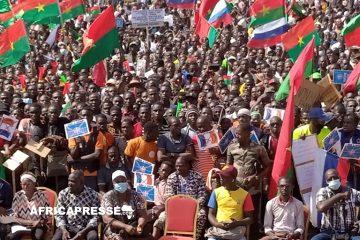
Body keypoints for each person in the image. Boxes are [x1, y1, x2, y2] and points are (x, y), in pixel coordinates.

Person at [227, 123, 272, 239]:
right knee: (238, 216)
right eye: (236, 133)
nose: (237, 135)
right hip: (236, 189)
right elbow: (228, 167)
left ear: (248, 134)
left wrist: (257, 177)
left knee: (252, 218)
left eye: (240, 133)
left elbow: (268, 166)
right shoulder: (231, 148)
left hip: (253, 189)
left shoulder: (259, 148)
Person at [161, 155, 208, 240]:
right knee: (162, 216)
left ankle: (194, 237)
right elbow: (169, 195)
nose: (178, 168)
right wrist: (178, 206)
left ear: (187, 166)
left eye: (180, 166)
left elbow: (202, 195)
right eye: (176, 166)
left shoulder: (198, 177)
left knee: (202, 215)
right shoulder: (172, 177)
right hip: (176, 207)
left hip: (195, 207)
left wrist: (193, 207)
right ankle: (172, 236)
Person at [205, 166, 254, 240]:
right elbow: (210, 214)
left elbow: (250, 219)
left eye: (224, 177)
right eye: (220, 176)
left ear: (232, 179)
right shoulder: (216, 192)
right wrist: (219, 224)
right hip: (219, 229)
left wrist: (236, 223)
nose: (221, 178)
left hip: (236, 230)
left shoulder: (245, 195)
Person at [101, 170, 153, 240]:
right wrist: (125, 226)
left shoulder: (136, 195)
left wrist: (140, 225)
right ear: (113, 183)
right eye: (117, 181)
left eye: (122, 181)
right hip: (114, 229)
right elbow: (106, 218)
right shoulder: (108, 196)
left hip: (133, 226)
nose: (120, 183)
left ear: (126, 181)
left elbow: (143, 214)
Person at [312, 169, 360, 240]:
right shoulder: (323, 192)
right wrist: (339, 196)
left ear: (339, 178)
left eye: (335, 177)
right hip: (328, 232)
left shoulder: (352, 192)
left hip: (350, 232)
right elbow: (321, 207)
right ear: (326, 182)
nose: (333, 180)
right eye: (330, 179)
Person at [53, 170, 99, 240]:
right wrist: (64, 230)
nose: (69, 184)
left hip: (86, 227)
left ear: (81, 183)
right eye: (69, 181)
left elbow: (95, 217)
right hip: (67, 226)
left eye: (73, 181)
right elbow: (59, 215)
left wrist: (83, 232)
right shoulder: (63, 193)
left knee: (93, 237)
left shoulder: (92, 194)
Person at [8, 172, 50, 240]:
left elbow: (46, 216)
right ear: (21, 184)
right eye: (24, 184)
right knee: (11, 237)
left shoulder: (42, 196)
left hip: (38, 225)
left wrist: (37, 223)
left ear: (34, 184)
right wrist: (30, 222)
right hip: (21, 225)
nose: (26, 187)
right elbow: (14, 217)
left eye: (28, 184)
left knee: (38, 237)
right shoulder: (18, 195)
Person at [151, 161, 174, 239]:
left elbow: (172, 203)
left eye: (167, 171)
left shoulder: (171, 184)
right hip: (154, 207)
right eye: (163, 170)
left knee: (158, 223)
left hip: (165, 209)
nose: (164, 172)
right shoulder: (154, 182)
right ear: (158, 170)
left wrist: (161, 208)